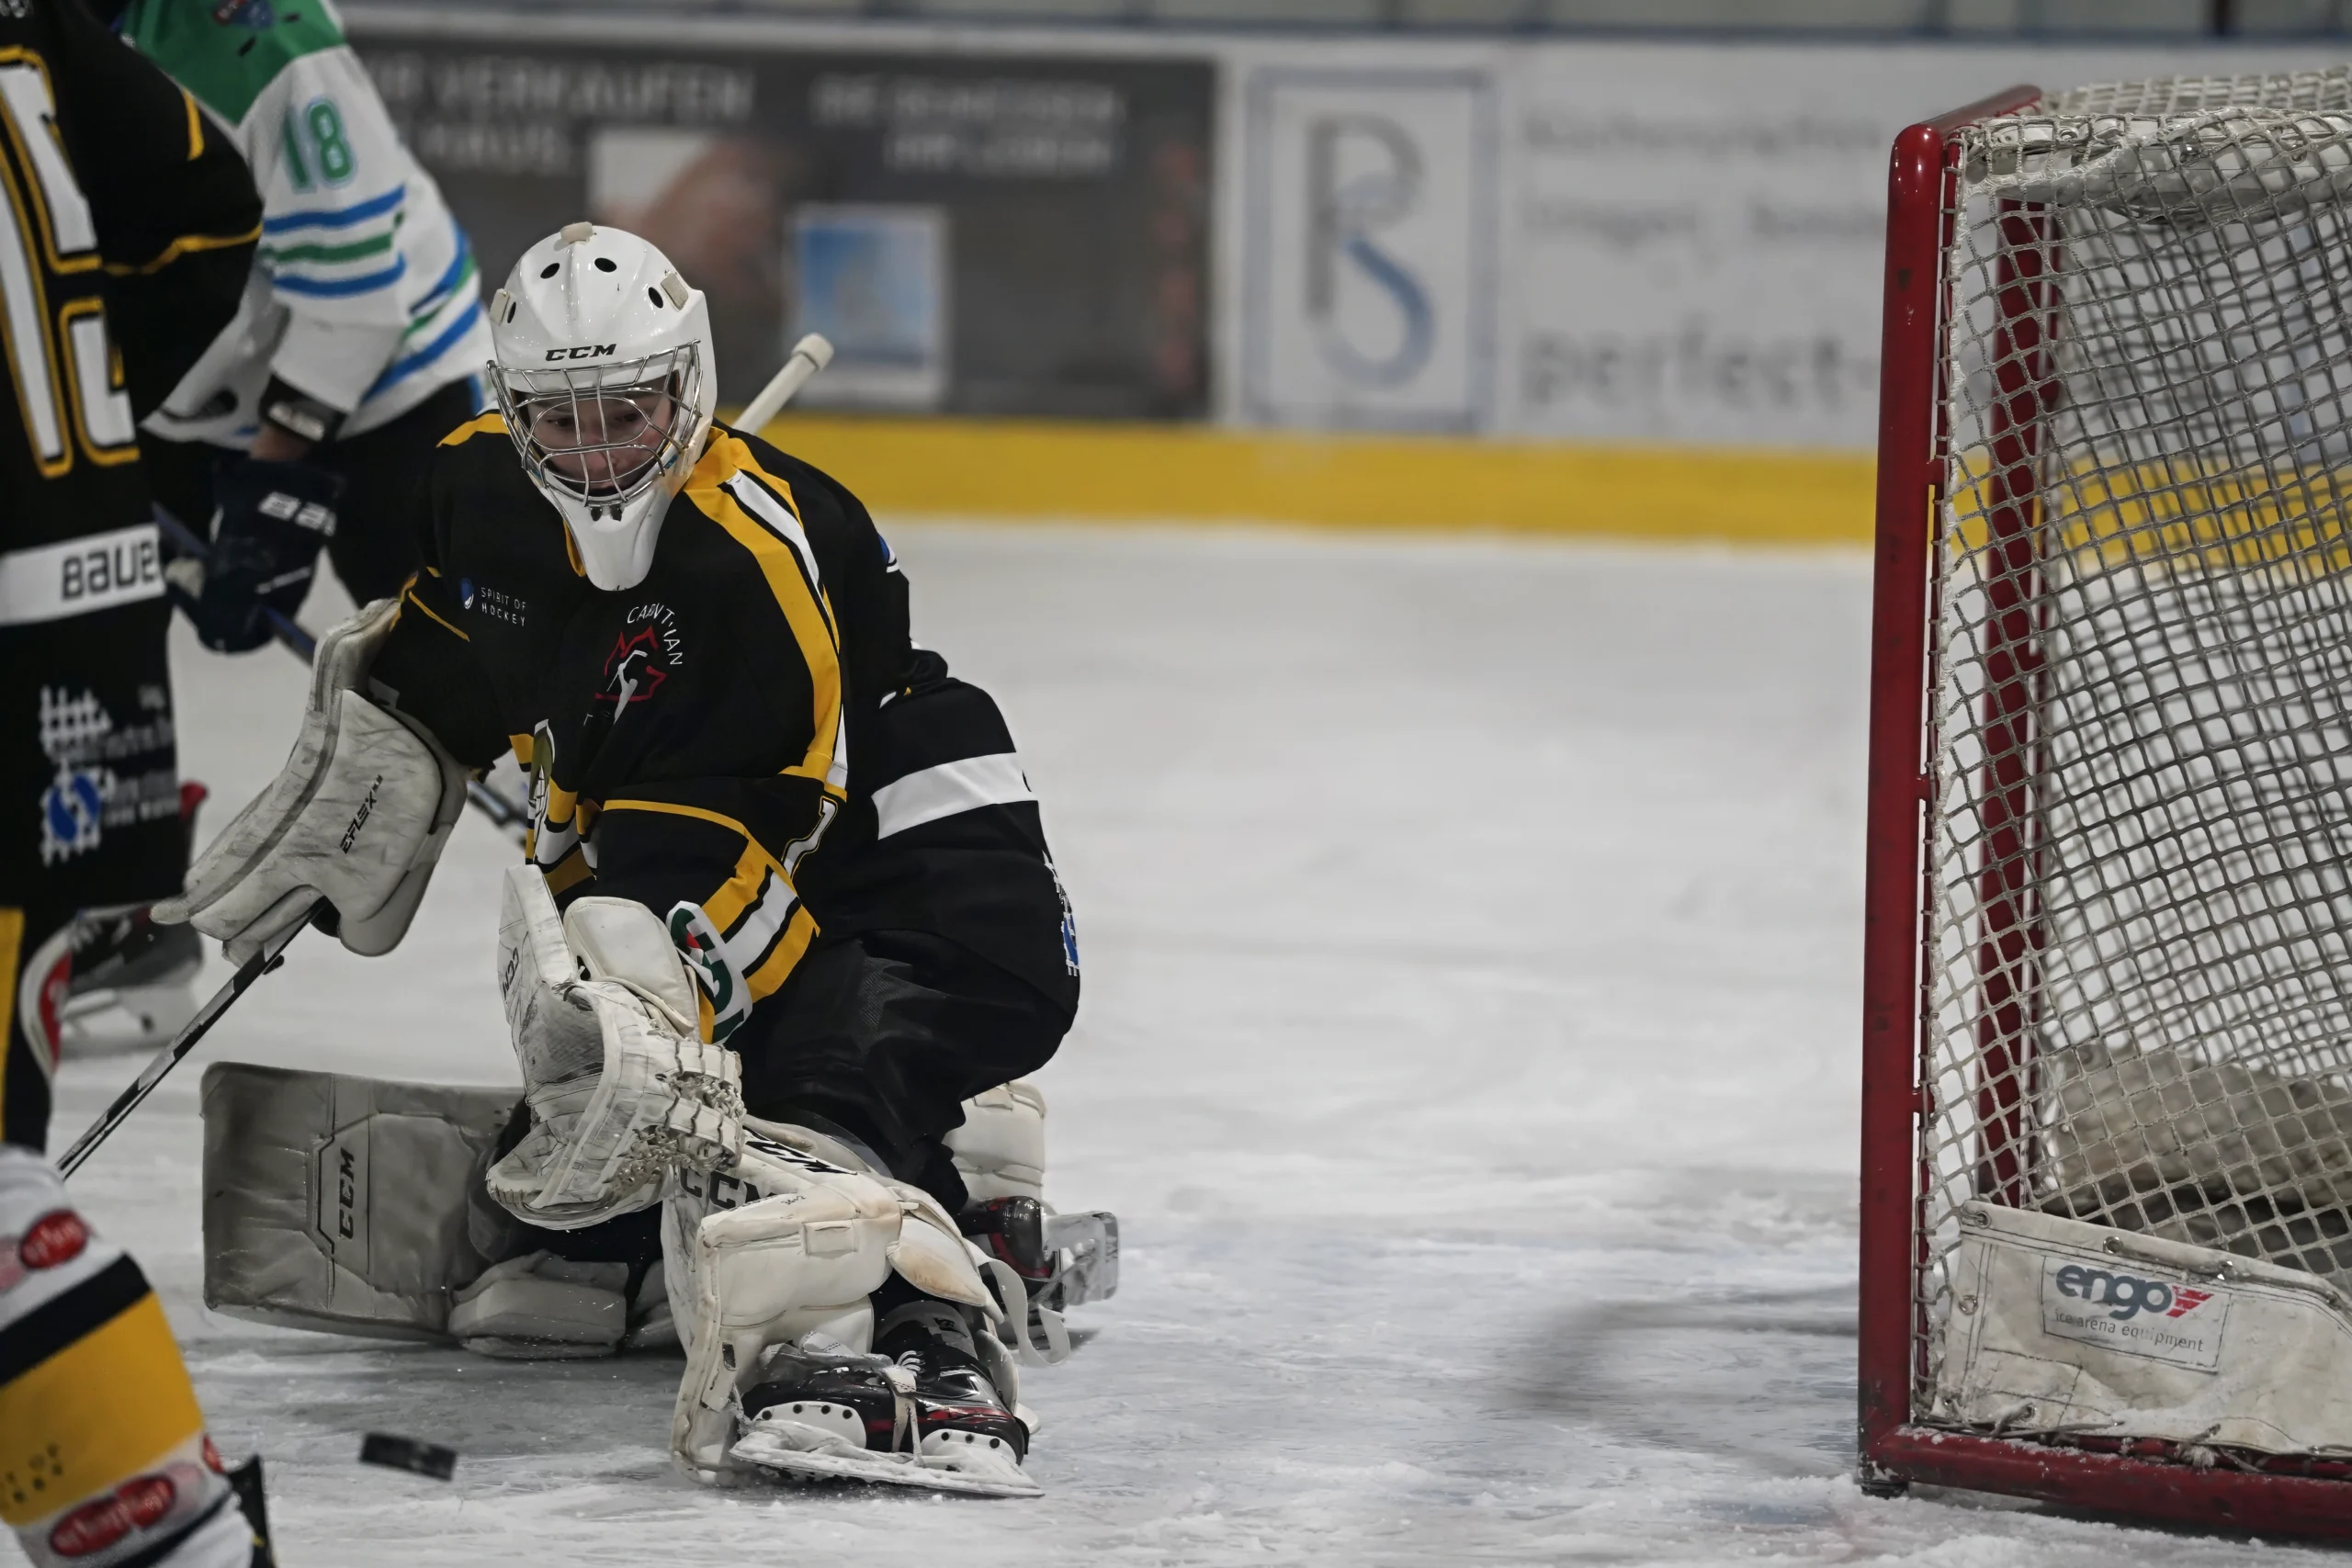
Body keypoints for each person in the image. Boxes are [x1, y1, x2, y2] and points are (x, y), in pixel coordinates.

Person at [158, 223, 1083, 1497]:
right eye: (561, 418)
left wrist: (660, 1012)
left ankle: (920, 1282)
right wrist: (402, 732)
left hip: (915, 861)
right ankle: (721, 1176)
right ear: (510, 405)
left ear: (687, 387)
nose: (595, 453)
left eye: (628, 414)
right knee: (619, 969)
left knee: (782, 1041)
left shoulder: (749, 559)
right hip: (725, 819)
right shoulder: (473, 486)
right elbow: (467, 637)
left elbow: (784, 829)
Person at [0, 0, 277, 1560]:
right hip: (77, 663)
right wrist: (165, 475)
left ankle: (173, 1540)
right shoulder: (45, 42)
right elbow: (221, 228)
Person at [98, 0, 490, 652]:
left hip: (388, 378)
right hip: (174, 380)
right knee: (98, 624)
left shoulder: (273, 52)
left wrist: (269, 493)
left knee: (430, 653)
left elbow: (356, 303)